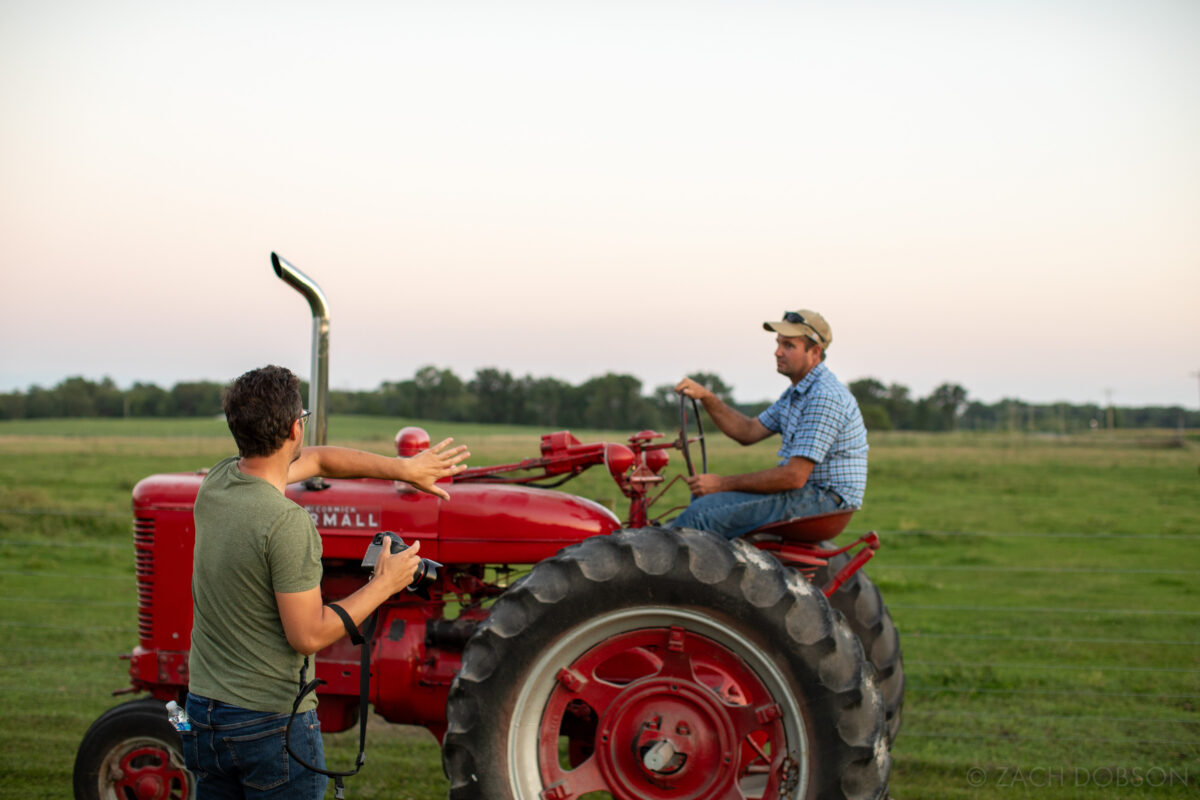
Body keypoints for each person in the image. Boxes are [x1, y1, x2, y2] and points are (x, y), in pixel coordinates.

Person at [182, 365, 469, 798]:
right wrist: (384, 584)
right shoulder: (286, 523)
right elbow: (309, 635)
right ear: (297, 428)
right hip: (269, 723)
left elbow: (318, 459)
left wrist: (402, 469)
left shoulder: (217, 482)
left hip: (204, 714)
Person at [670, 309, 867, 540]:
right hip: (807, 494)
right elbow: (748, 431)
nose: (777, 352)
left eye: (789, 346)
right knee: (703, 501)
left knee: (701, 515)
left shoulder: (823, 396)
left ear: (814, 352)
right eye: (778, 343)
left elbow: (794, 477)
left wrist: (722, 484)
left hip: (823, 500)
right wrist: (707, 398)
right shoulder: (797, 393)